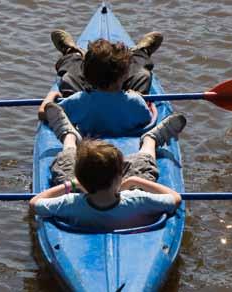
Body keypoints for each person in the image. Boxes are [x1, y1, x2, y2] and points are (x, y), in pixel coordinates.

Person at [29, 102, 186, 231]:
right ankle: (150, 140)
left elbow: (35, 203)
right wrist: (135, 181)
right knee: (144, 167)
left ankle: (69, 137)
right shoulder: (138, 199)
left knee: (66, 164)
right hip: (122, 187)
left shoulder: (71, 202)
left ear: (82, 179)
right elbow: (175, 199)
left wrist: (71, 185)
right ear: (121, 175)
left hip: (81, 186)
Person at [37, 30, 164, 137]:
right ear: (126, 75)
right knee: (143, 74)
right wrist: (139, 98)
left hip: (87, 101)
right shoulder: (135, 102)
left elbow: (43, 113)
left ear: (85, 76)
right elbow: (148, 118)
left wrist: (52, 95)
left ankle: (72, 53)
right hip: (127, 98)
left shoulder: (78, 101)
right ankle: (140, 53)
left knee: (69, 77)